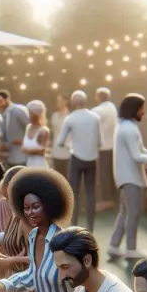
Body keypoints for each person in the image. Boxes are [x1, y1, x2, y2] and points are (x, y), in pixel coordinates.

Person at [109, 94, 147, 260]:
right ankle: (131, 249)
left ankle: (114, 245)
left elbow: (139, 149)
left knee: (125, 212)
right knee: (133, 213)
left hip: (125, 176)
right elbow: (136, 155)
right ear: (134, 109)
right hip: (130, 177)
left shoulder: (125, 126)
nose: (143, 112)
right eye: (141, 108)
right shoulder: (129, 129)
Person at [55, 91, 101, 231]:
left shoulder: (70, 118)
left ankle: (74, 226)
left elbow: (60, 142)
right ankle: (90, 227)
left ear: (73, 102)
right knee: (90, 192)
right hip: (92, 158)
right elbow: (100, 141)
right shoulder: (95, 117)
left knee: (74, 192)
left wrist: (71, 146)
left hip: (76, 158)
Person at [91, 87, 119, 207]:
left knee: (104, 174)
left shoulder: (97, 111)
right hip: (113, 145)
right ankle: (114, 198)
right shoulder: (112, 107)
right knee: (112, 173)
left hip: (103, 147)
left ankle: (107, 200)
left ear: (98, 97)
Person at [0, 89, 29, 167]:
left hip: (21, 154)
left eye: (0, 101)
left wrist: (25, 140)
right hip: (7, 155)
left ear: (7, 99)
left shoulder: (19, 110)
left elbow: (29, 126)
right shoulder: (0, 114)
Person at [21, 100, 50, 169]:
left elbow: (42, 151)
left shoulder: (43, 130)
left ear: (35, 114)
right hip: (29, 164)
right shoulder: (28, 127)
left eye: (29, 113)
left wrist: (27, 150)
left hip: (39, 165)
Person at [50, 93, 71, 176]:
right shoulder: (54, 115)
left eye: (60, 101)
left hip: (68, 151)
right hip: (56, 151)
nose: (58, 103)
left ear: (66, 102)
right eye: (57, 101)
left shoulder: (70, 116)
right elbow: (54, 132)